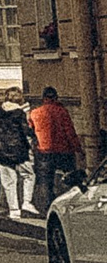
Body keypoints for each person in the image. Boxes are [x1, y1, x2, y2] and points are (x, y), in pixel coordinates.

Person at [30, 85, 82, 219]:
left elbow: (31, 131)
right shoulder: (62, 111)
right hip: (64, 150)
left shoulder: (35, 113)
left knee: (45, 181)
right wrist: (77, 148)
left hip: (43, 151)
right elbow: (69, 131)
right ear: (56, 97)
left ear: (43, 98)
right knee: (71, 177)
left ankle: (48, 209)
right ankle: (73, 205)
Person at [0, 93, 33, 222]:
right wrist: (33, 136)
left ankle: (14, 210)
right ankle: (26, 202)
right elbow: (25, 131)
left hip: (1, 150)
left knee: (8, 182)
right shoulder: (19, 113)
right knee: (29, 175)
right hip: (18, 150)